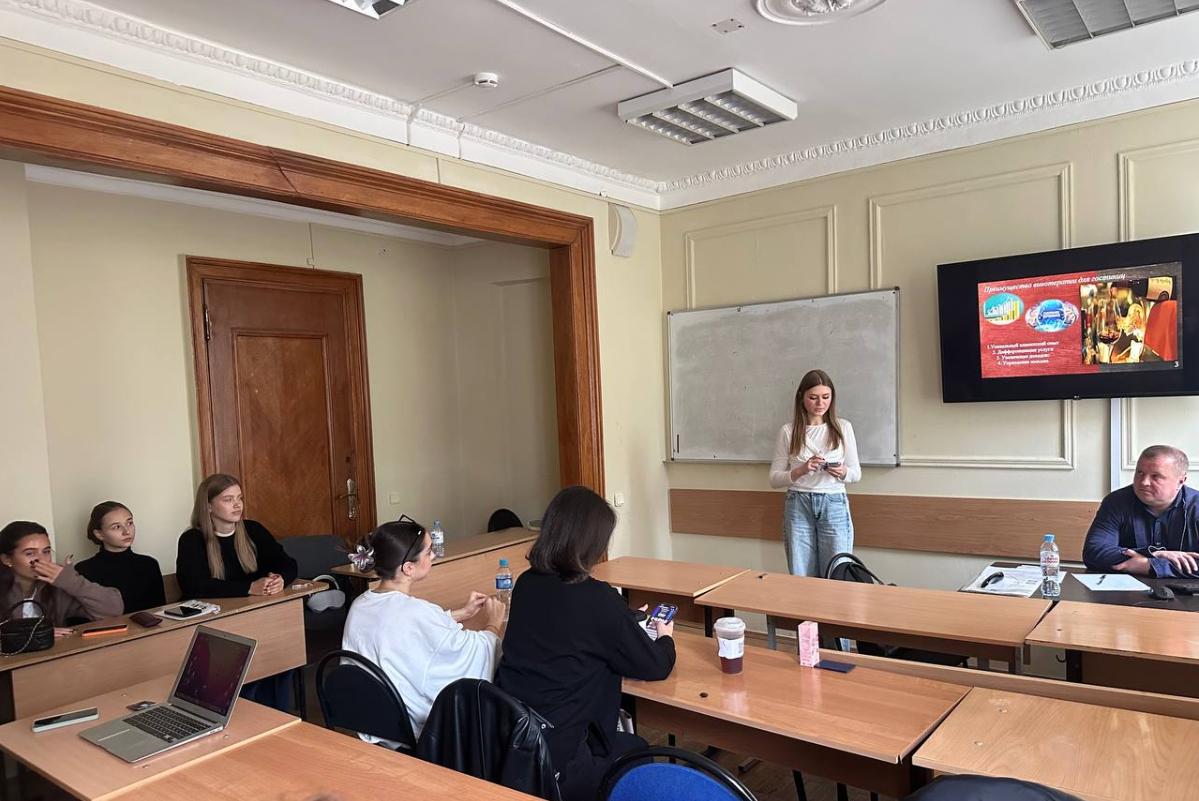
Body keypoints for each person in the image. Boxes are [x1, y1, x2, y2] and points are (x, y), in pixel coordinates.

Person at [495, 486, 675, 801]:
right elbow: (654, 666)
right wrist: (665, 638)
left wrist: (622, 618)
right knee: (637, 753)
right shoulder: (597, 598)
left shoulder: (525, 583)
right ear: (594, 542)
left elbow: (565, 629)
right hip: (561, 761)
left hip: (512, 744)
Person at [341, 517, 504, 746]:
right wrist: (493, 624)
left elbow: (401, 629)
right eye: (428, 552)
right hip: (407, 726)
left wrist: (460, 614)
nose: (433, 556)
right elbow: (473, 653)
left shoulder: (360, 604)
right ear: (408, 568)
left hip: (370, 718)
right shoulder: (416, 612)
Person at [769, 369, 862, 578]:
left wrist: (842, 472)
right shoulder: (788, 431)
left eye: (826, 397)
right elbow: (774, 479)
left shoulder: (843, 428)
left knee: (837, 571)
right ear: (802, 398)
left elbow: (856, 474)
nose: (820, 403)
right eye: (813, 398)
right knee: (801, 574)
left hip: (834, 503)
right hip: (798, 503)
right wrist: (801, 470)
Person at [176, 473, 298, 599]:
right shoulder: (191, 539)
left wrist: (280, 579)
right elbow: (193, 585)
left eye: (239, 498)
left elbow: (287, 563)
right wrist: (249, 588)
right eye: (228, 499)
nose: (237, 504)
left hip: (254, 605)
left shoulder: (254, 529)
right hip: (217, 609)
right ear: (209, 506)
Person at [1083, 445, 1199, 577]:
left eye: (1156, 476)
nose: (1144, 482)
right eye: (1140, 473)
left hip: (1186, 589)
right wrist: (1154, 554)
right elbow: (1094, 552)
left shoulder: (1196, 507)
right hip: (1125, 588)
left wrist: (1149, 565)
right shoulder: (1116, 501)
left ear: (1180, 481)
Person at [0, 521, 123, 633]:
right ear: (6, 559)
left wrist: (73, 582)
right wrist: (38, 634)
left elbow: (113, 611)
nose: (42, 560)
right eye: (30, 553)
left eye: (46, 551)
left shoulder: (56, 586)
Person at [75, 502, 166, 614]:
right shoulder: (84, 570)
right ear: (99, 534)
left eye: (129, 523)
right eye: (116, 527)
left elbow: (160, 612)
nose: (127, 531)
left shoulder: (149, 564)